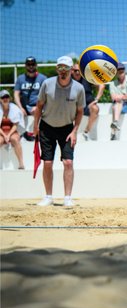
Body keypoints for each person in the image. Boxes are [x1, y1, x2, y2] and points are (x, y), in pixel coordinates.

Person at [33, 56, 86, 207]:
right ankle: (48, 197)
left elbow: (80, 111)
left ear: (71, 70)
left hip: (67, 129)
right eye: (60, 68)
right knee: (47, 163)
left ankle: (67, 198)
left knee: (68, 162)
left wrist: (75, 131)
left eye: (66, 68)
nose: (63, 71)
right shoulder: (47, 84)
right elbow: (39, 106)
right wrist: (36, 127)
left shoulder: (79, 88)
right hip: (47, 127)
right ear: (57, 69)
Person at [13, 56, 47, 141]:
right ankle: (19, 134)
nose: (31, 66)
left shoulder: (42, 78)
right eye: (29, 64)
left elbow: (47, 94)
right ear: (25, 66)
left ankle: (36, 133)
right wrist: (20, 108)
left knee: (38, 111)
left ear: (36, 65)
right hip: (24, 106)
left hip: (38, 106)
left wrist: (38, 106)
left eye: (33, 64)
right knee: (15, 112)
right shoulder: (21, 78)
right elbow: (16, 94)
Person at [71, 63, 105, 141]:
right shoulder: (68, 80)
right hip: (74, 106)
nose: (77, 72)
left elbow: (102, 85)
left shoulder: (87, 78)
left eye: (79, 71)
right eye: (75, 70)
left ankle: (86, 132)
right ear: (72, 71)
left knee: (95, 108)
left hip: (87, 105)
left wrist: (97, 99)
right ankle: (72, 132)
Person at [0, 89, 25, 169]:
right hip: (1, 131)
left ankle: (21, 163)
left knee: (15, 139)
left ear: (10, 98)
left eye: (7, 97)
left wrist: (9, 135)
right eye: (3, 97)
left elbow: (15, 124)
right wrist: (4, 135)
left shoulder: (15, 108)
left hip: (12, 130)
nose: (5, 99)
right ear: (0, 99)